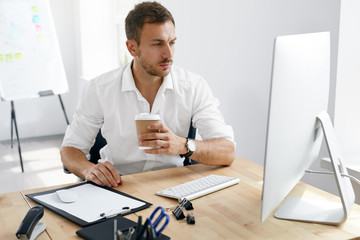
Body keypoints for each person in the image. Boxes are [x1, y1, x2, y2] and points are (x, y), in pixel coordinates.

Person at [60, 1, 235, 188]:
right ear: (132, 48)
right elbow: (70, 150)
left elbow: (228, 151)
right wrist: (89, 170)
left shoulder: (193, 86)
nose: (169, 54)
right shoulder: (100, 88)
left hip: (174, 185)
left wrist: (183, 145)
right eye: (158, 44)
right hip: (120, 185)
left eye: (172, 42)